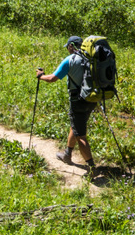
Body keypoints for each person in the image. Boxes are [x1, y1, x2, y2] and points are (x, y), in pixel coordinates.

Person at [36, 36, 97, 169]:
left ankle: (91, 167)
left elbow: (52, 78)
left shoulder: (71, 60)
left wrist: (41, 76)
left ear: (71, 46)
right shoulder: (91, 59)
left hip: (78, 100)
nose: (67, 49)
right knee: (76, 124)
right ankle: (67, 154)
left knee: (80, 134)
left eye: (68, 47)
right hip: (92, 99)